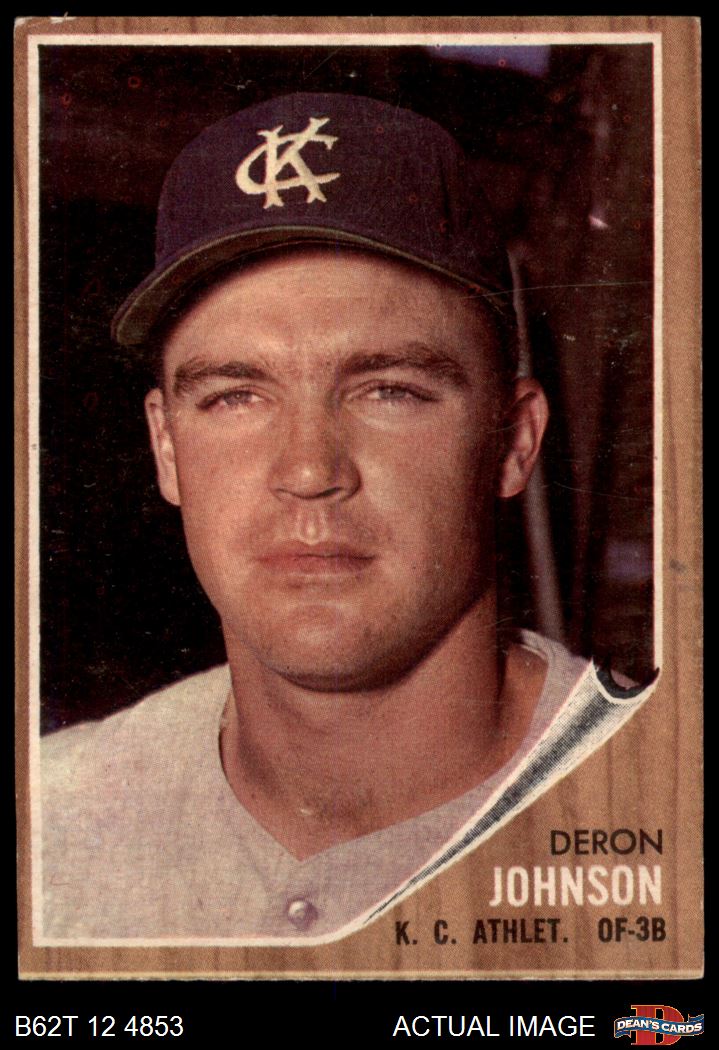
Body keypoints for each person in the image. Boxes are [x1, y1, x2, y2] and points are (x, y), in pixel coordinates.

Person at [41, 92, 651, 942]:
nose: (308, 471)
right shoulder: (51, 824)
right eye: (235, 395)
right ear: (167, 448)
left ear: (512, 441)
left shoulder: (655, 808)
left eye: (389, 390)